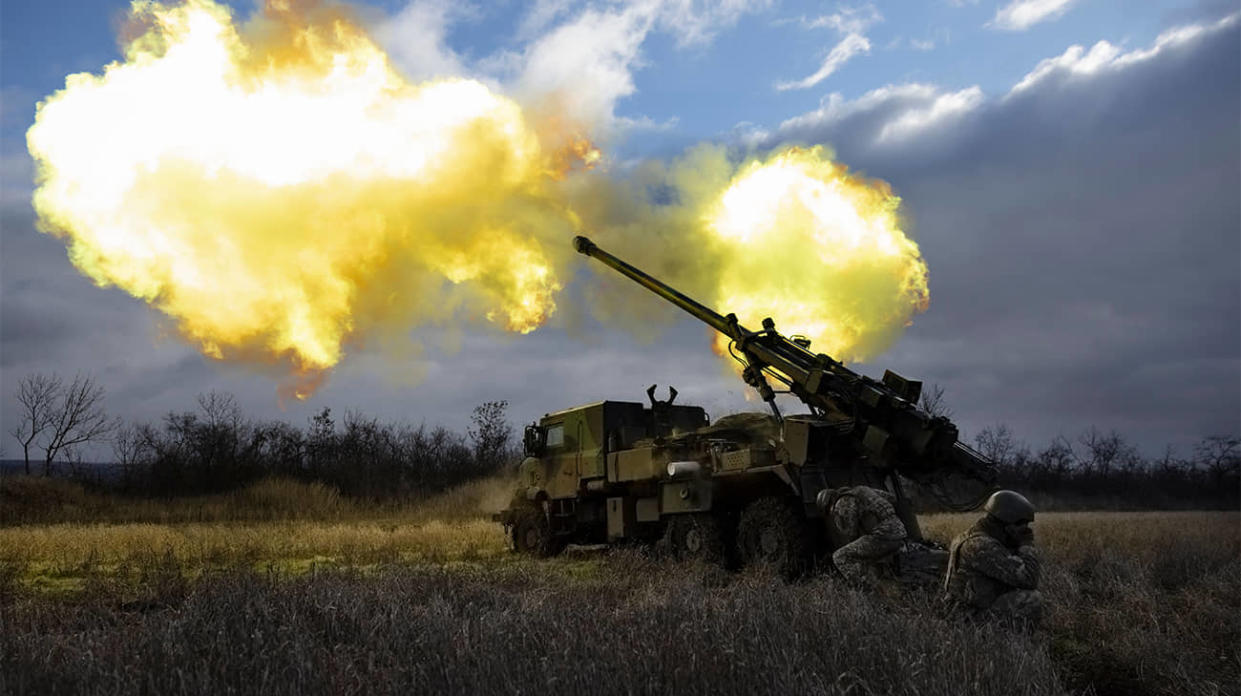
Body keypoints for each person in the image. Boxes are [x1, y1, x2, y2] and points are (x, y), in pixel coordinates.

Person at [942, 490, 1043, 627]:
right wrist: (1026, 544)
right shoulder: (981, 545)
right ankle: (1010, 641)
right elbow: (1029, 578)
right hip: (966, 619)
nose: (1025, 530)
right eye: (1022, 525)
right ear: (1008, 524)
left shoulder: (971, 535)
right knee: (1032, 599)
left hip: (962, 611)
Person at [816, 485, 908, 586]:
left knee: (839, 556)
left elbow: (851, 534)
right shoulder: (862, 489)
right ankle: (883, 582)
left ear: (829, 503)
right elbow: (892, 498)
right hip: (900, 531)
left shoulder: (842, 503)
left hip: (882, 536)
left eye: (828, 510)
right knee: (867, 551)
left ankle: (865, 588)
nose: (831, 513)